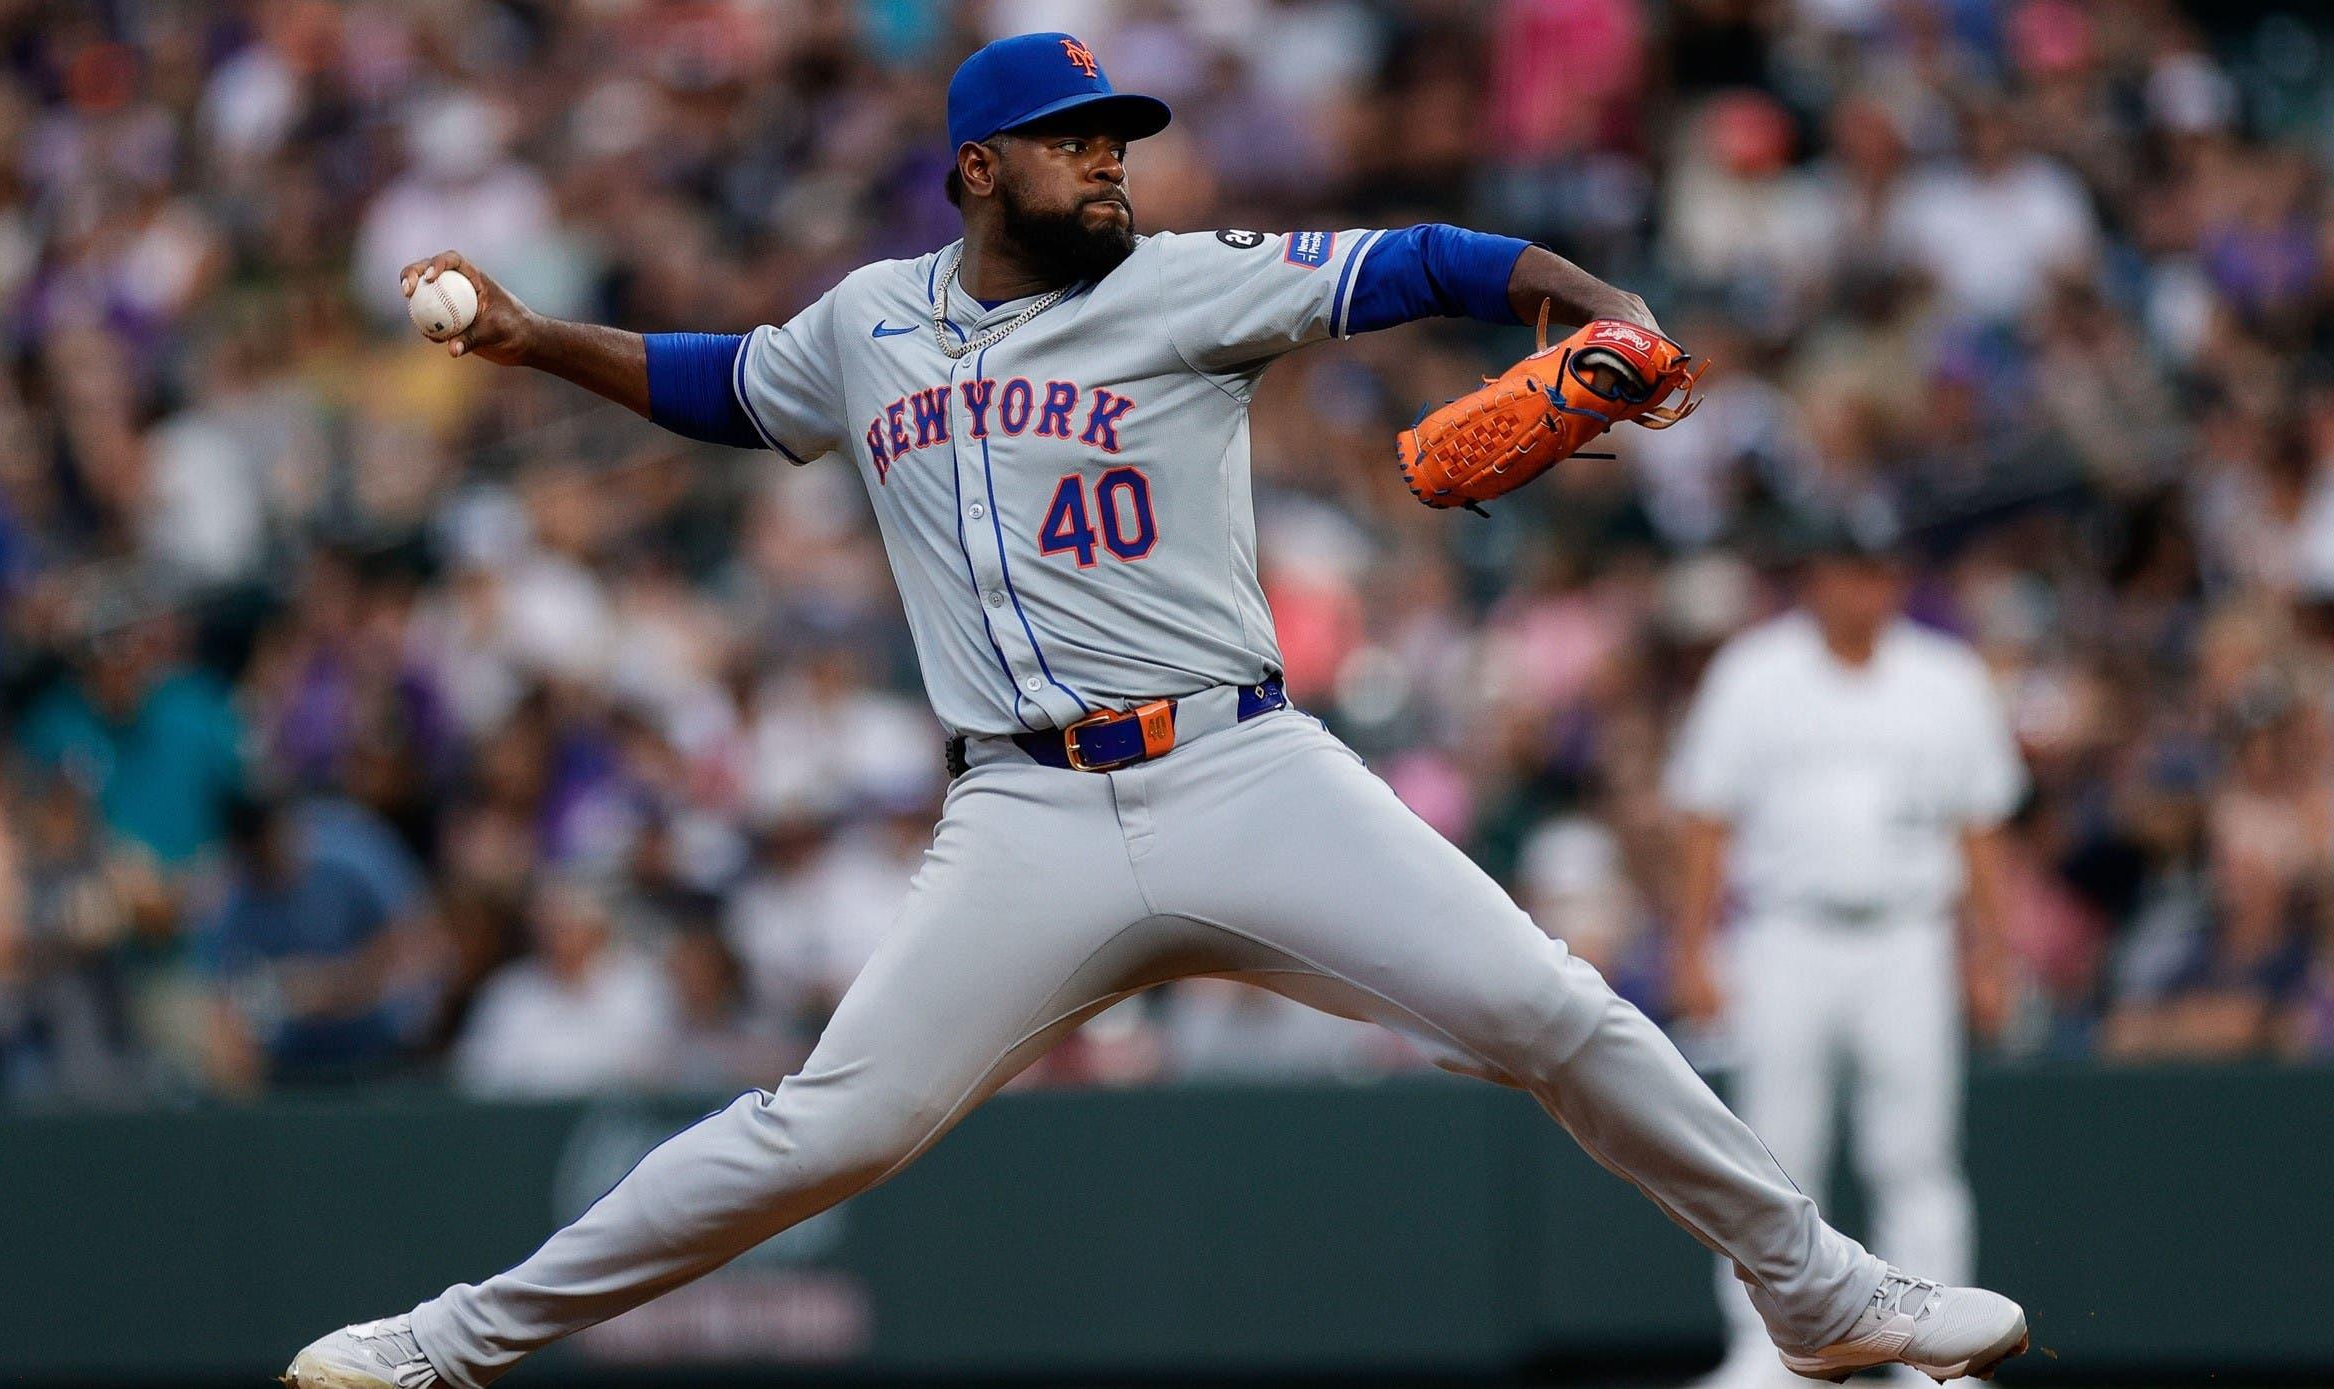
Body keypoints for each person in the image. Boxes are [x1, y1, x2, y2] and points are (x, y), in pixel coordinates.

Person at [286, 33, 2029, 1389]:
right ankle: (453, 1339)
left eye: (1120, 141)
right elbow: (724, 384)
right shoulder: (868, 323)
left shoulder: (1182, 281)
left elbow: (1417, 258)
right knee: (830, 1125)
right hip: (1022, 816)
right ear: (982, 168)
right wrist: (529, 342)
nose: (1111, 165)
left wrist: (1588, 299)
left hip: (1239, 764)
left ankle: (1822, 1291)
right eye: (1076, 143)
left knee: (1547, 1009)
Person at [1665, 521, 2027, 1389]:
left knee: (1915, 1152)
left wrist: (1991, 955)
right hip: (1786, 931)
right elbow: (1708, 818)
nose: (1858, 588)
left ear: (1894, 577)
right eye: (1841, 569)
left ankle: (1940, 1354)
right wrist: (1693, 945)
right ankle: (1769, 1350)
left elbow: (1979, 828)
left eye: (1873, 570)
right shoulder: (1755, 673)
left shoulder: (1945, 678)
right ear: (1813, 576)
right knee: (1771, 1153)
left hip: (1909, 933)